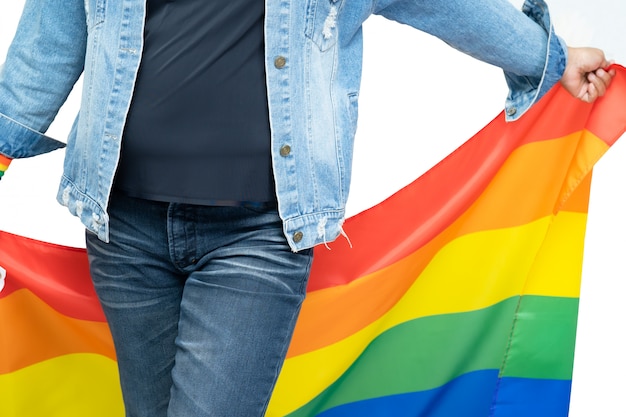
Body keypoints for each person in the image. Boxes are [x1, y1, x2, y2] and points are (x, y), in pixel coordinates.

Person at [0, 0, 615, 416]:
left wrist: (548, 58)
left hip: (258, 235)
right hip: (123, 229)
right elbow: (50, 38)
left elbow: (441, 3)